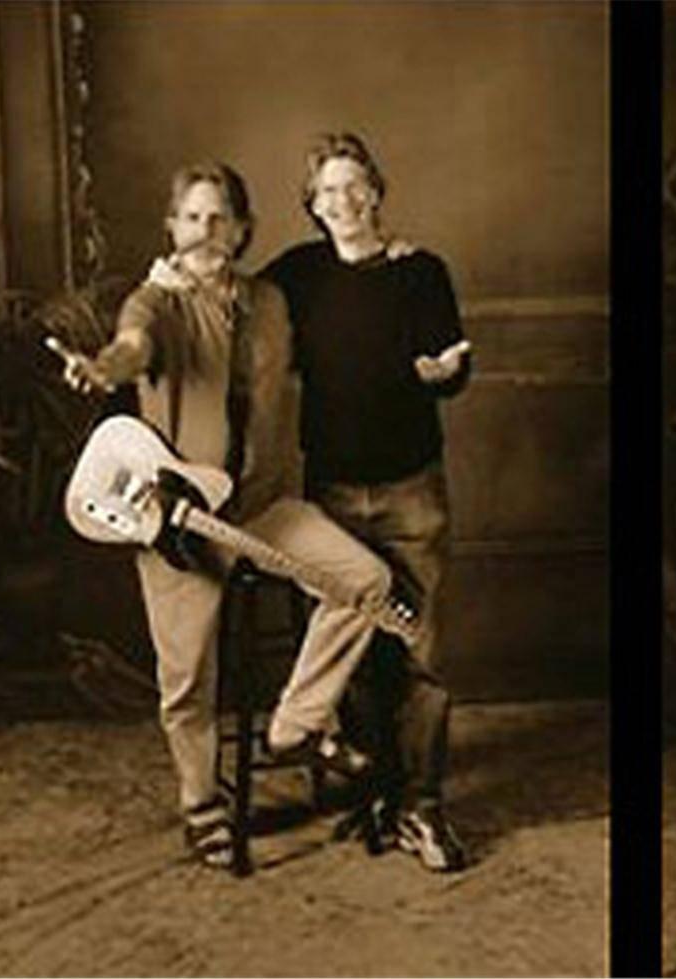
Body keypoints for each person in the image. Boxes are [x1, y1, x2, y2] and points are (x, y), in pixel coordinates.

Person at [55, 162, 391, 869]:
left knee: (364, 580)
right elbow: (130, 348)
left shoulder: (273, 297)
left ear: (241, 229)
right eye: (192, 217)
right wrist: (103, 368)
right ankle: (200, 803)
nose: (206, 231)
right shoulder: (154, 302)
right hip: (184, 524)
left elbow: (342, 273)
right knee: (188, 678)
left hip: (263, 507)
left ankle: (296, 725)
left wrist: (394, 254)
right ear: (171, 228)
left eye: (220, 218)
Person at [262, 132, 471, 872]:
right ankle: (372, 792)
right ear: (312, 205)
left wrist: (442, 371)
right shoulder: (297, 273)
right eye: (327, 192)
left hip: (414, 490)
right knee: (346, 650)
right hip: (332, 498)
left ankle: (423, 807)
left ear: (376, 190)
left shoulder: (422, 273)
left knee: (417, 653)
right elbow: (229, 304)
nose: (342, 202)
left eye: (354, 187)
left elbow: (451, 368)